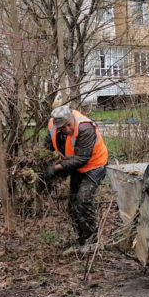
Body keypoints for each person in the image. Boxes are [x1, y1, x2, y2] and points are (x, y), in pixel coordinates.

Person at [44, 105, 108, 249]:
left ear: (72, 118)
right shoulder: (53, 127)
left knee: (83, 199)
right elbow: (47, 146)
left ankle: (92, 240)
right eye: (62, 128)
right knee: (73, 204)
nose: (67, 129)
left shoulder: (85, 128)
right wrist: (40, 162)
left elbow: (82, 158)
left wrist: (56, 168)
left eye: (68, 125)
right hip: (76, 167)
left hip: (95, 166)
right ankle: (82, 237)